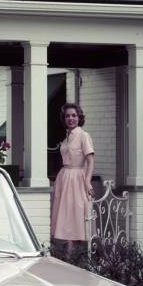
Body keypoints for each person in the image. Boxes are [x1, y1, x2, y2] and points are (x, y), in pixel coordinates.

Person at [50, 102, 95, 259]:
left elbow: (90, 160)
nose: (71, 118)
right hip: (64, 177)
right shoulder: (67, 136)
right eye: (68, 116)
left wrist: (88, 181)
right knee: (65, 213)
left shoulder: (83, 136)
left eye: (74, 115)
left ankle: (79, 255)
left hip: (77, 177)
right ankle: (68, 255)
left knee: (77, 213)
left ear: (79, 117)